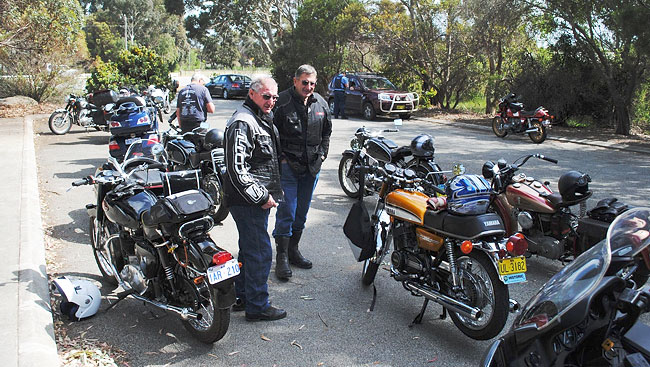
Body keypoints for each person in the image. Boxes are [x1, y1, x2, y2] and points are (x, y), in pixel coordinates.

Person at [223, 76, 287, 321]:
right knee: (260, 252)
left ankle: (243, 297)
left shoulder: (259, 116)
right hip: (248, 201)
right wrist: (260, 196)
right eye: (266, 96)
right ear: (252, 94)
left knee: (250, 250)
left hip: (255, 199)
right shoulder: (243, 121)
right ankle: (257, 306)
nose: (271, 101)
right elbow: (236, 169)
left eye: (274, 97)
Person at [272, 64, 332, 280]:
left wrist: (323, 153)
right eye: (304, 82)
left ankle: (293, 250)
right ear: (295, 81)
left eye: (312, 83)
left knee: (302, 212)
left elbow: (327, 132)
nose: (308, 87)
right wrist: (281, 159)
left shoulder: (321, 103)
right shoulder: (281, 103)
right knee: (287, 210)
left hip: (312, 167)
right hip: (288, 167)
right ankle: (281, 257)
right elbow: (271, 134)